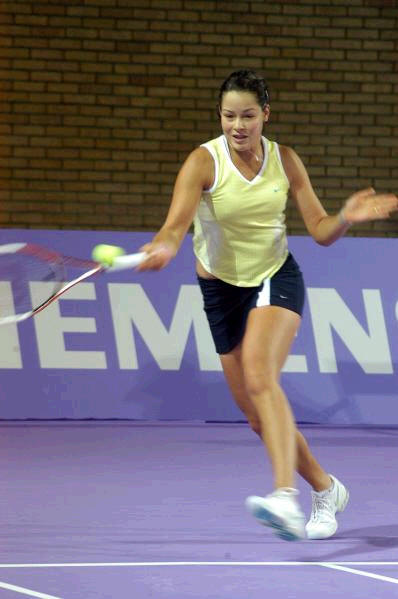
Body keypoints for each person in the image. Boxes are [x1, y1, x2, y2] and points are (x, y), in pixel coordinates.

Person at [137, 70, 398, 541]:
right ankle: (326, 488)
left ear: (265, 115)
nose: (238, 125)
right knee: (258, 417)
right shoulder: (203, 162)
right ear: (219, 116)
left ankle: (284, 496)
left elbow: (319, 230)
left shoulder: (286, 161)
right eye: (229, 115)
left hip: (275, 277)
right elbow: (174, 228)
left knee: (261, 377)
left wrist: (344, 218)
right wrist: (162, 247)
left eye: (248, 115)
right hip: (221, 293)